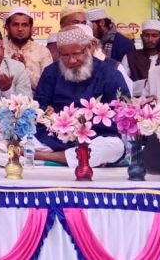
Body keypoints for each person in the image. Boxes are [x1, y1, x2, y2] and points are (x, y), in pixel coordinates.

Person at [33, 25, 130, 167]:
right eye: (65, 55)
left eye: (76, 54)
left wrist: (86, 127)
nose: (71, 61)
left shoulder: (110, 74)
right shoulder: (51, 73)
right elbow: (39, 110)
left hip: (96, 137)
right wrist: (58, 126)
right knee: (20, 142)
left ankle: (43, 156)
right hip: (56, 138)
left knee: (115, 147)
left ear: (89, 48)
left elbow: (121, 114)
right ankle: (78, 158)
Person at [2, 7, 52, 87]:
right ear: (7, 28)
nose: (20, 29)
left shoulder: (42, 51)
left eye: (24, 25)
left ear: (31, 28)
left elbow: (47, 85)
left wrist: (23, 68)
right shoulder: (0, 50)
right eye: (15, 25)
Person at [121, 19, 160, 96]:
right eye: (146, 35)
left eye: (154, 36)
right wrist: (145, 84)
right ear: (141, 36)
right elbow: (123, 84)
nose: (150, 39)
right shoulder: (130, 57)